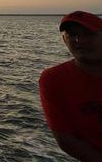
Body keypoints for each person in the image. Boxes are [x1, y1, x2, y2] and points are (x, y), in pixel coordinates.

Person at [39, 11, 102, 161]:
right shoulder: (53, 79)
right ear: (64, 40)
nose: (80, 40)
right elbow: (66, 139)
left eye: (89, 34)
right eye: (72, 35)